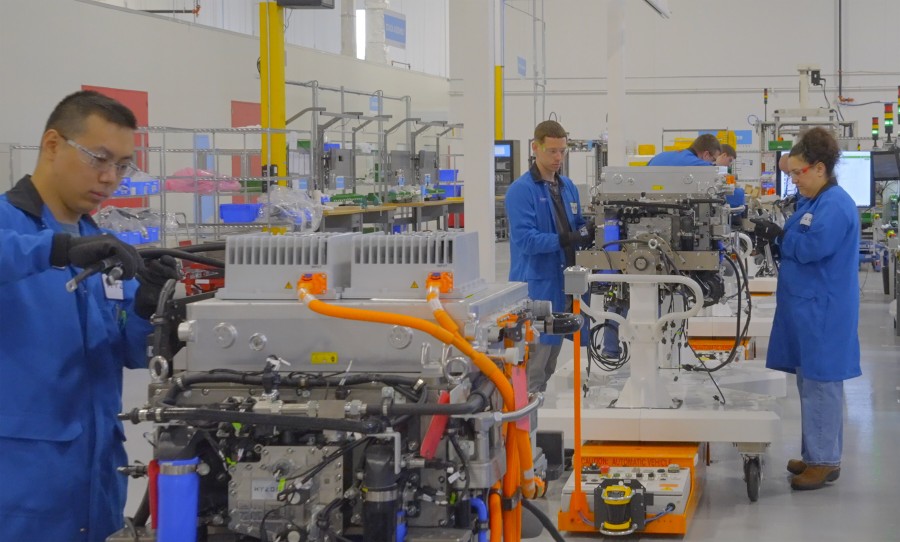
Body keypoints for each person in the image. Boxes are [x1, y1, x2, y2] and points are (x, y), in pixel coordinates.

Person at [0, 90, 179, 540]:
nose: (109, 177)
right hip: (20, 488)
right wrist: (58, 249)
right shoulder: (13, 230)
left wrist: (148, 309)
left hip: (98, 480)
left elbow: (135, 354)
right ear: (53, 145)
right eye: (98, 158)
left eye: (122, 165)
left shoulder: (98, 241)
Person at [753, 127, 861, 490]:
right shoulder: (812, 202)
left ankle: (825, 460)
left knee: (821, 383)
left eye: (798, 173)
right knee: (809, 382)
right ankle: (817, 453)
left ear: (819, 168)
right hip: (809, 308)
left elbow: (810, 248)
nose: (794, 180)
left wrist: (781, 236)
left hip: (824, 311)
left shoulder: (835, 205)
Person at [506, 120, 594, 392]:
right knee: (532, 367)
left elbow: (577, 222)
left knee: (549, 365)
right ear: (536, 148)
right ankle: (521, 429)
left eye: (562, 151)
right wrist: (566, 238)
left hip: (565, 287)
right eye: (552, 151)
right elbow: (526, 240)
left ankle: (535, 420)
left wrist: (589, 228)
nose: (558, 158)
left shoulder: (567, 186)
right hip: (538, 288)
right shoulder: (521, 191)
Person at [647, 133, 722, 166]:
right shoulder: (694, 162)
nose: (712, 162)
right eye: (713, 160)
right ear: (706, 155)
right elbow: (714, 170)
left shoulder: (659, 156)